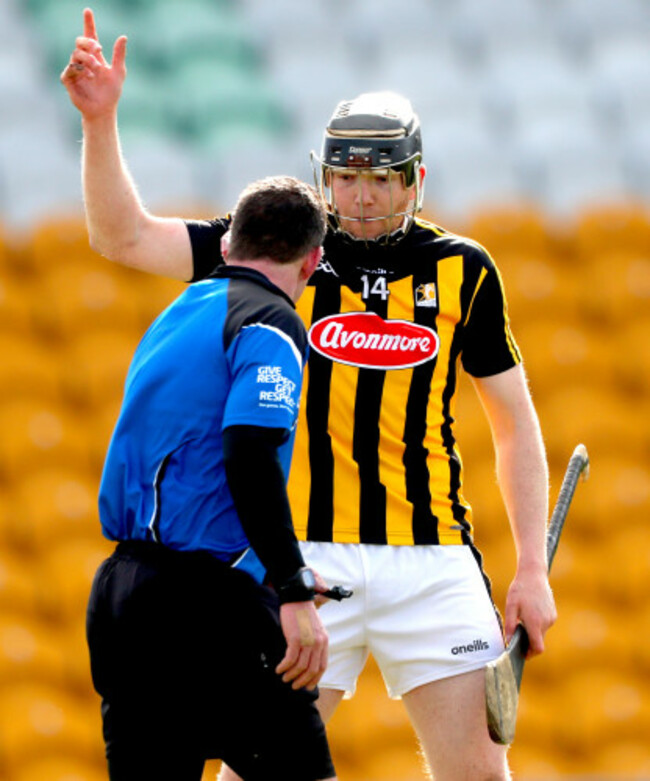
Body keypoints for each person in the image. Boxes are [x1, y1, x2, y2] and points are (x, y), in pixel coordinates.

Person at [62, 10, 557, 780]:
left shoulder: (467, 268)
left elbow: (515, 423)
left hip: (433, 561)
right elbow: (123, 236)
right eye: (347, 176)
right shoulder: (283, 245)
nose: (360, 197)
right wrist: (101, 122)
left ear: (416, 179)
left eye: (381, 177)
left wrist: (530, 567)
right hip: (303, 562)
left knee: (482, 778)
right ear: (324, 177)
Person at [83, 173, 339, 781]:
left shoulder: (177, 313)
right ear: (313, 262)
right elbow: (248, 456)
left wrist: (272, 565)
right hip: (204, 608)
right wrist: (292, 585)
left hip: (124, 599)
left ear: (226, 246)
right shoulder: (270, 324)